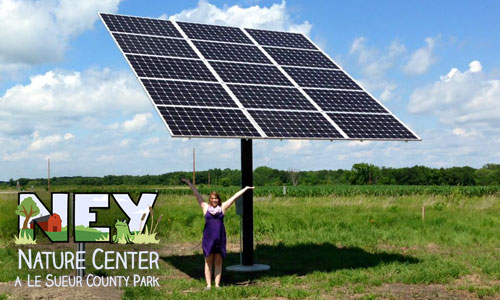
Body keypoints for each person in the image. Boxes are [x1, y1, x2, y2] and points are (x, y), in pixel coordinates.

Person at [182, 178, 254, 289]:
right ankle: (208, 285)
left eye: (216, 198)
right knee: (208, 261)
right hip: (208, 238)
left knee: (218, 262)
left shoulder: (223, 207)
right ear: (209, 199)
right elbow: (197, 194)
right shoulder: (205, 207)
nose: (214, 200)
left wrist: (245, 189)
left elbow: (234, 197)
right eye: (212, 198)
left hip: (220, 238)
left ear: (218, 199)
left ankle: (217, 284)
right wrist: (189, 183)